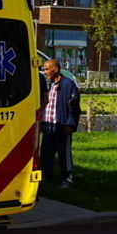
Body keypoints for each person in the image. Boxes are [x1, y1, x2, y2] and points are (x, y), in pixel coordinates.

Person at [40, 58, 81, 189]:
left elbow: (73, 107)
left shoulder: (68, 85)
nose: (44, 72)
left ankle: (67, 179)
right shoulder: (49, 84)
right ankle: (47, 177)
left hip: (62, 127)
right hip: (48, 127)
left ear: (55, 69)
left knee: (64, 155)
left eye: (47, 69)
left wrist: (70, 124)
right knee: (46, 154)